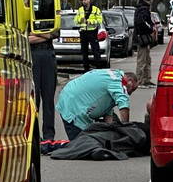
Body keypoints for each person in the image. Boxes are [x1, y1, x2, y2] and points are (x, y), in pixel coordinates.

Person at [55, 69, 139, 141]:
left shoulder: (112, 77)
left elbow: (107, 114)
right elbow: (124, 105)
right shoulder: (117, 81)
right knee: (79, 145)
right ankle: (49, 146)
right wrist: (126, 130)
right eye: (133, 89)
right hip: (73, 109)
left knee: (100, 137)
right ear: (129, 81)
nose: (131, 93)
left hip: (73, 101)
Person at [29, 23, 59, 154]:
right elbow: (25, 38)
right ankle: (34, 137)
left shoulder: (49, 14)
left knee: (48, 99)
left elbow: (56, 33)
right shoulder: (26, 15)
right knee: (33, 100)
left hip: (48, 54)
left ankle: (48, 137)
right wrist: (47, 35)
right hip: (32, 55)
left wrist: (36, 34)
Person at [75, 0, 103, 71]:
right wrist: (80, 20)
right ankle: (86, 68)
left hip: (92, 32)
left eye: (85, 0)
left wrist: (90, 22)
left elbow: (100, 20)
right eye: (82, 0)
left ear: (89, 0)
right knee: (84, 51)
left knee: (95, 50)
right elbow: (75, 20)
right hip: (83, 32)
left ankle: (98, 67)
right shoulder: (80, 10)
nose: (83, 1)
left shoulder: (96, 9)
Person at [134, 0, 155, 87]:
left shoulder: (142, 8)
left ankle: (146, 79)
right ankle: (140, 80)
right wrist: (150, 28)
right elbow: (142, 22)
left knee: (147, 59)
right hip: (143, 37)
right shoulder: (143, 9)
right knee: (142, 60)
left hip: (143, 37)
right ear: (150, 0)